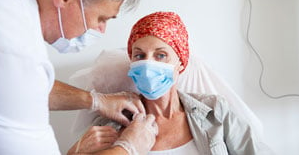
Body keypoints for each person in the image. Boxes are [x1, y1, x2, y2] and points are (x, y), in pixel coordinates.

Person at [0, 0, 158, 154]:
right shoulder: (12, 52)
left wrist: (95, 100)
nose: (101, 30)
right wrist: (127, 148)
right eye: (101, 18)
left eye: (161, 56)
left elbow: (27, 88)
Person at [68, 11, 272, 154]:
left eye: (161, 55)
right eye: (139, 56)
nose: (148, 64)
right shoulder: (111, 123)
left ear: (181, 64)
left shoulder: (216, 112)